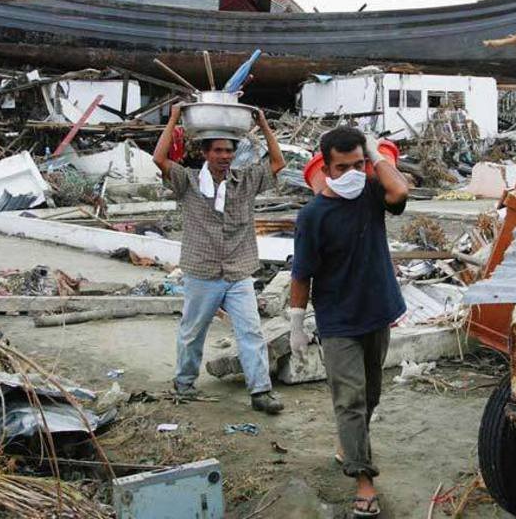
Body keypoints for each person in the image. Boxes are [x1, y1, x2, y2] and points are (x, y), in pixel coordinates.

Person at [289, 126, 409, 517]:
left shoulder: (372, 194)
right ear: (326, 168)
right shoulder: (312, 216)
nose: (354, 172)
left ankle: (349, 444)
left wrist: (375, 152)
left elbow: (401, 192)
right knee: (351, 400)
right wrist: (296, 323)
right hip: (337, 320)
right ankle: (363, 481)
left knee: (370, 395)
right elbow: (301, 274)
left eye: (359, 163)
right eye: (344, 167)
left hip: (378, 310)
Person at [152, 103, 286, 414]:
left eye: (228, 151)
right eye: (218, 151)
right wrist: (174, 118)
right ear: (205, 153)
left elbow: (278, 162)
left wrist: (263, 122)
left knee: (251, 331)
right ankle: (184, 384)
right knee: (192, 332)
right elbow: (159, 159)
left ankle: (261, 392)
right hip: (202, 272)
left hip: (238, 271)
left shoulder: (246, 181)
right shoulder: (187, 182)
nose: (224, 156)